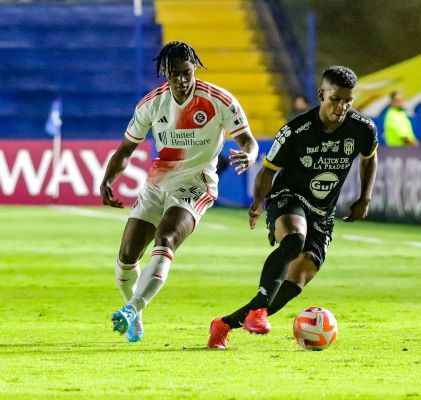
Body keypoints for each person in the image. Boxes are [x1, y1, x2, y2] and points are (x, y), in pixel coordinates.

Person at [207, 65, 378, 349]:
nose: (342, 107)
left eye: (348, 100)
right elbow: (267, 171)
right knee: (294, 240)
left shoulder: (362, 128)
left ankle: (224, 324)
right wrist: (257, 203)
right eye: (335, 99)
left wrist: (365, 197)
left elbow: (370, 157)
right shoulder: (295, 131)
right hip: (289, 196)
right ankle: (258, 311)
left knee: (296, 280)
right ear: (321, 94)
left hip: (323, 212)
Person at [101, 41, 258, 343]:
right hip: (158, 182)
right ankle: (136, 315)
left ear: (194, 69)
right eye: (175, 74)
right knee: (126, 258)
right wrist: (107, 181)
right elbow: (126, 149)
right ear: (166, 74)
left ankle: (132, 309)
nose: (183, 80)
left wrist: (249, 156)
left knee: (167, 238)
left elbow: (248, 141)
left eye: (187, 73)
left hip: (196, 183)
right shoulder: (152, 104)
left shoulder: (218, 100)